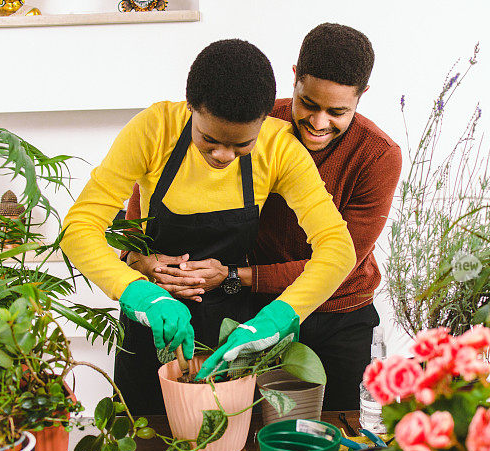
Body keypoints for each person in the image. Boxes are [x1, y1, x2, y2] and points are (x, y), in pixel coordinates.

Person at [60, 39, 355, 415]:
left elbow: (337, 247)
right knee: (141, 440)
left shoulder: (280, 148)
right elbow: (79, 227)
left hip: (231, 329)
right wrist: (137, 293)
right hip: (151, 322)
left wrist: (282, 315)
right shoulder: (155, 129)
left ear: (264, 120)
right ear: (190, 107)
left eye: (241, 144)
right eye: (209, 140)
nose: (223, 155)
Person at [126, 24, 402, 410]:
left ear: (362, 97)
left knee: (341, 422)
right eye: (308, 103)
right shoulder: (252, 122)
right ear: (295, 78)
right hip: (254, 307)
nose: (319, 123)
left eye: (337, 111)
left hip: (338, 311)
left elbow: (346, 258)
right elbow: (164, 173)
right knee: (252, 422)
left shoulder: (377, 155)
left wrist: (237, 276)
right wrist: (138, 254)